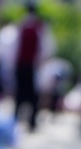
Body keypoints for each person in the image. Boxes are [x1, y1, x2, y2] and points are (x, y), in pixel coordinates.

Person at [13, 3, 53, 132]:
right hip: (31, 66)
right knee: (31, 95)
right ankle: (29, 121)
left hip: (25, 65)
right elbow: (47, 47)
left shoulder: (23, 26)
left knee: (23, 93)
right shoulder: (38, 27)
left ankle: (20, 119)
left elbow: (13, 47)